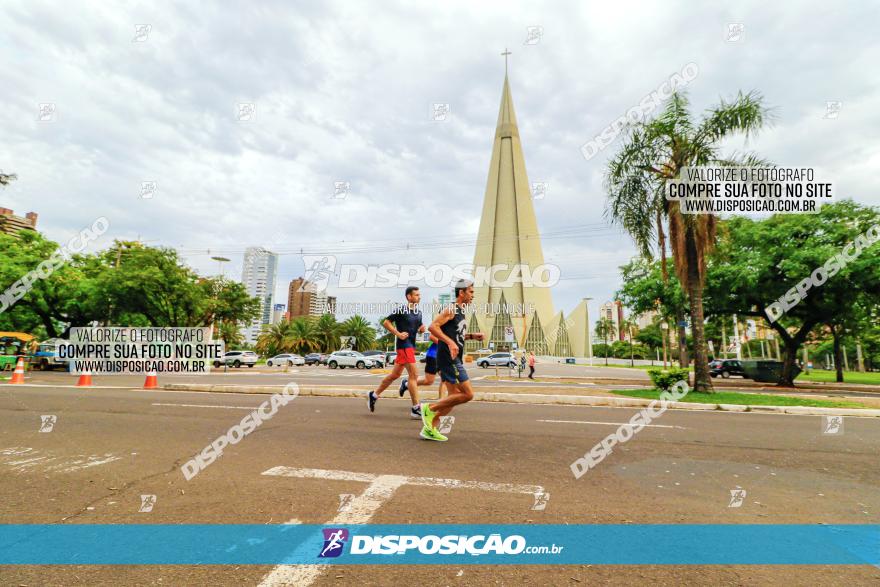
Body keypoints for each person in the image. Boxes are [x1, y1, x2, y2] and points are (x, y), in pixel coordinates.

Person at [419, 279, 484, 441]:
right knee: (468, 394)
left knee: (453, 397)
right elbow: (433, 327)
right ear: (461, 293)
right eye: (471, 292)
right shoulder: (452, 309)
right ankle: (429, 408)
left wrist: (471, 336)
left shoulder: (461, 311)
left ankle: (430, 429)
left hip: (454, 358)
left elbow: (455, 334)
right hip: (449, 358)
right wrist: (450, 343)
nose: (472, 295)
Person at [368, 286, 425, 419]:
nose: (419, 297)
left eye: (419, 294)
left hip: (410, 345)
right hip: (404, 346)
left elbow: (417, 327)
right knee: (414, 375)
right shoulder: (401, 310)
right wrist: (398, 334)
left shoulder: (419, 312)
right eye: (416, 295)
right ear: (409, 297)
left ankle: (374, 395)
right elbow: (386, 322)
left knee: (395, 375)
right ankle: (416, 408)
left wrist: (421, 329)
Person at [399, 333, 448, 401]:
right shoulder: (443, 324)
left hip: (443, 357)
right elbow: (431, 336)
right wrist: (446, 344)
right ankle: (406, 384)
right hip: (433, 355)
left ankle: (441, 402)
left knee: (445, 379)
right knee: (428, 381)